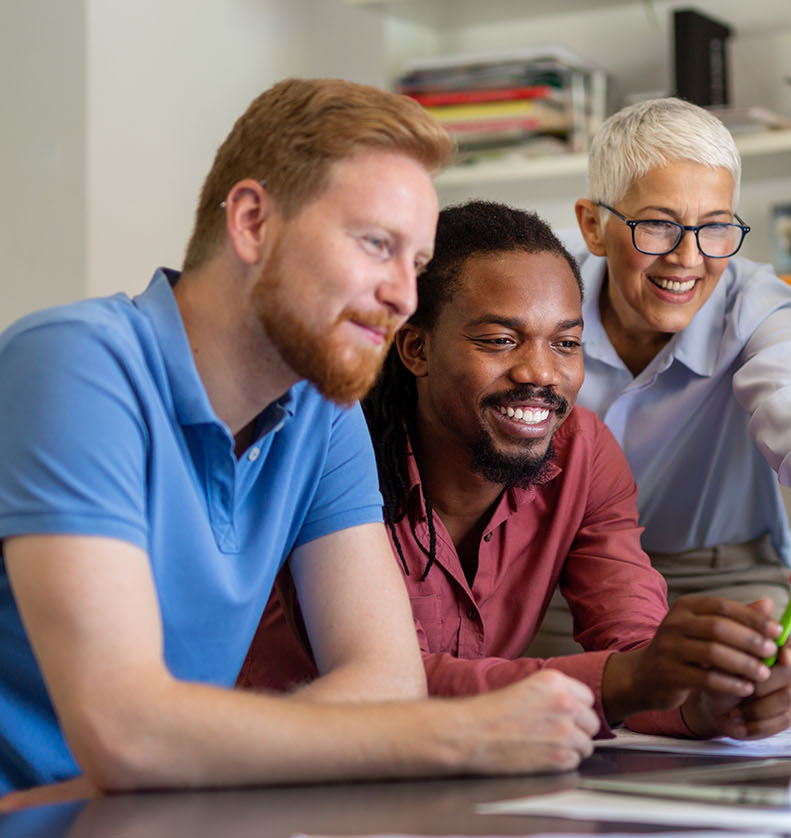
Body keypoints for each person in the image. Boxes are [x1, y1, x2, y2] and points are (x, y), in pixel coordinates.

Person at [0, 78, 601, 800]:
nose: (404, 298)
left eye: (414, 265)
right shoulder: (73, 362)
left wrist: (172, 756)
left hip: (159, 817)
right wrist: (466, 735)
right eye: (377, 244)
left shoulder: (323, 412)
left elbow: (386, 682)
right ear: (252, 222)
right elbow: (125, 731)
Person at [240, 200, 791, 742]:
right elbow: (388, 682)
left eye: (566, 343)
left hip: (460, 771)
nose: (540, 372)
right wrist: (630, 680)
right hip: (280, 778)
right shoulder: (337, 451)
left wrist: (700, 698)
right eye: (500, 340)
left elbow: (634, 644)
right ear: (416, 349)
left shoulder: (582, 454)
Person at [529, 98, 791, 655]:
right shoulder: (538, 287)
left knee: (743, 722)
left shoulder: (758, 303)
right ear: (593, 227)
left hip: (722, 576)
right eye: (657, 225)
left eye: (715, 228)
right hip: (558, 578)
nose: (688, 257)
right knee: (554, 724)